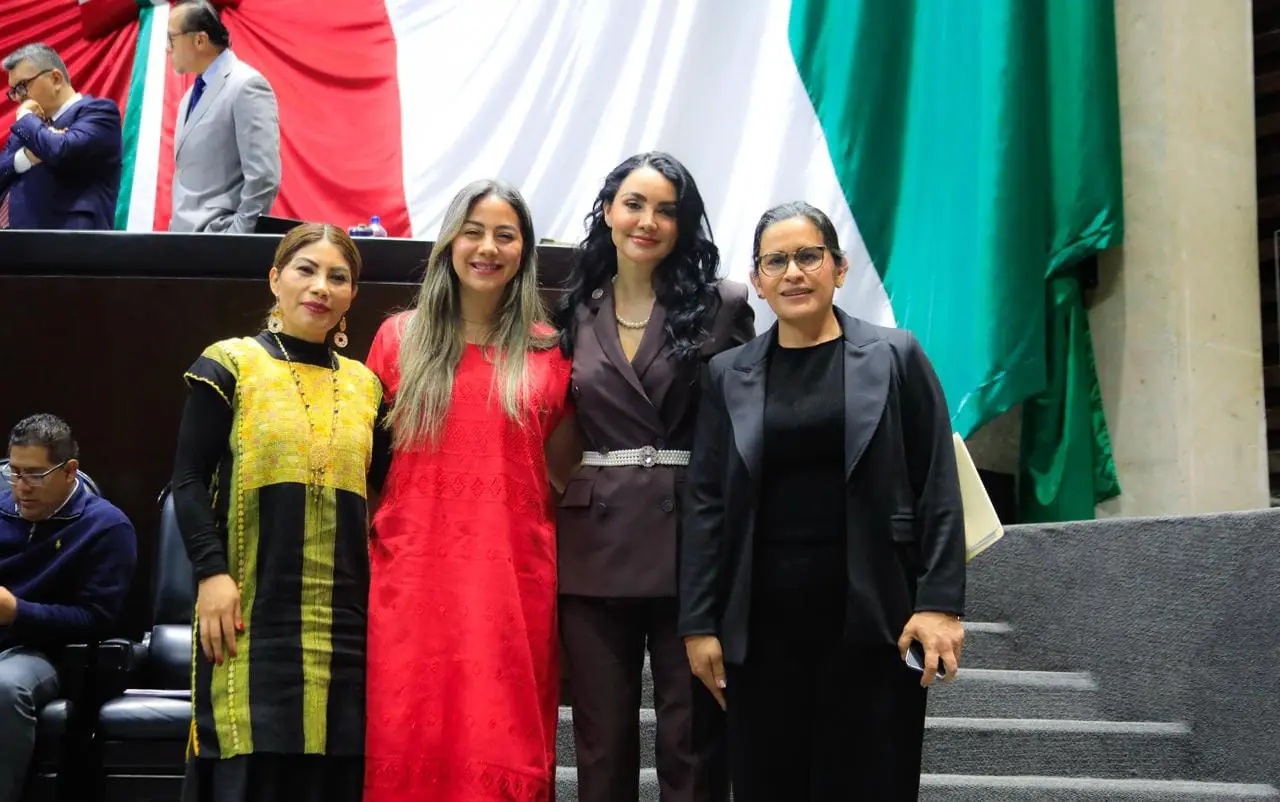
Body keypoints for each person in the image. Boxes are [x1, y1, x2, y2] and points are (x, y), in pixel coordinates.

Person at [678, 201, 967, 800]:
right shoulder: (727, 374)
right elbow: (707, 506)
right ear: (756, 282)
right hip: (761, 627)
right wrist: (699, 622)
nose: (793, 272)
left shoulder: (896, 357)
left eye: (809, 256)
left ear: (839, 268)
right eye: (775, 261)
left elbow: (937, 483)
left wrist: (939, 603)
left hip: (874, 617)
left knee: (872, 783)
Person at [363, 179, 575, 802]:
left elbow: (564, 472)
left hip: (511, 584)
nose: (488, 247)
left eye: (505, 235)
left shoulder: (548, 351)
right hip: (411, 577)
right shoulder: (398, 339)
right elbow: (368, 466)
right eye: (473, 231)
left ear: (524, 251)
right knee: (405, 737)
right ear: (449, 242)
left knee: (503, 747)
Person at [554, 151, 754, 802]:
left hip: (689, 542)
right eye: (634, 204)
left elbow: (740, 429)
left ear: (684, 224)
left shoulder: (722, 304)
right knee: (601, 743)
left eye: (667, 210)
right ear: (607, 212)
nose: (648, 221)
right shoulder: (571, 309)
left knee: (693, 741)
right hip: (593, 544)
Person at [171, 223, 387, 802]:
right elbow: (188, 482)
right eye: (305, 270)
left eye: (337, 277)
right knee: (250, 761)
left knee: (333, 763)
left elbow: (386, 501)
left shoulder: (369, 389)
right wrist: (212, 575)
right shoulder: (229, 365)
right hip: (248, 611)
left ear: (351, 296)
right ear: (275, 279)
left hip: (345, 627)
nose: (320, 287)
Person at [0, 414, 137, 802]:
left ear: (69, 470)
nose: (21, 488)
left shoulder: (105, 527)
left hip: (41, 652)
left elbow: (98, 618)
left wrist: (17, 612)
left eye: (35, 475)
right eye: (14, 472)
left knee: (4, 687)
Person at [166, 0, 281, 234]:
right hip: (183, 240)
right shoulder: (189, 96)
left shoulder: (246, 85)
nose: (168, 48)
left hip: (222, 238)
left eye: (171, 38)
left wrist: (238, 237)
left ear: (200, 40)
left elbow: (263, 176)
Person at [0, 43, 122, 230]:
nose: (18, 98)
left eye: (22, 87)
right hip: (17, 246)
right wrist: (24, 158)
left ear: (56, 79)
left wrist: (25, 116)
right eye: (13, 92)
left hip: (68, 245)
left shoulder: (99, 113)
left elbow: (60, 149)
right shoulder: (28, 128)